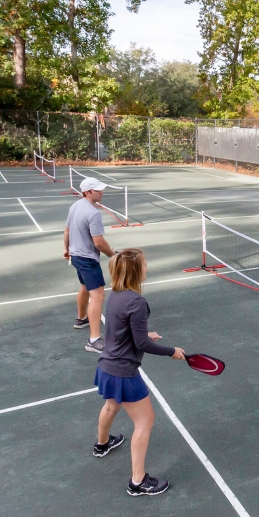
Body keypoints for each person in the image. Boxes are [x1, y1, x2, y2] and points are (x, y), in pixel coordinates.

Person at [93, 248, 186, 496]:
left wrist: (144, 334)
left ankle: (102, 445)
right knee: (145, 421)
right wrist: (171, 351)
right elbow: (141, 344)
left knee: (111, 407)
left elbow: (122, 330)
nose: (148, 267)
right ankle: (138, 482)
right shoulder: (137, 302)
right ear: (136, 271)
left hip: (105, 366)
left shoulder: (116, 295)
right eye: (145, 264)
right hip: (123, 372)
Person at [63, 176, 116, 353]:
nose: (101, 193)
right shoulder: (93, 214)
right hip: (87, 259)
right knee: (98, 295)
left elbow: (67, 230)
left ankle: (81, 319)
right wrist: (112, 255)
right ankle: (93, 340)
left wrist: (66, 249)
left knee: (85, 287)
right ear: (88, 192)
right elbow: (99, 243)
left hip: (76, 255)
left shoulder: (75, 206)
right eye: (98, 190)